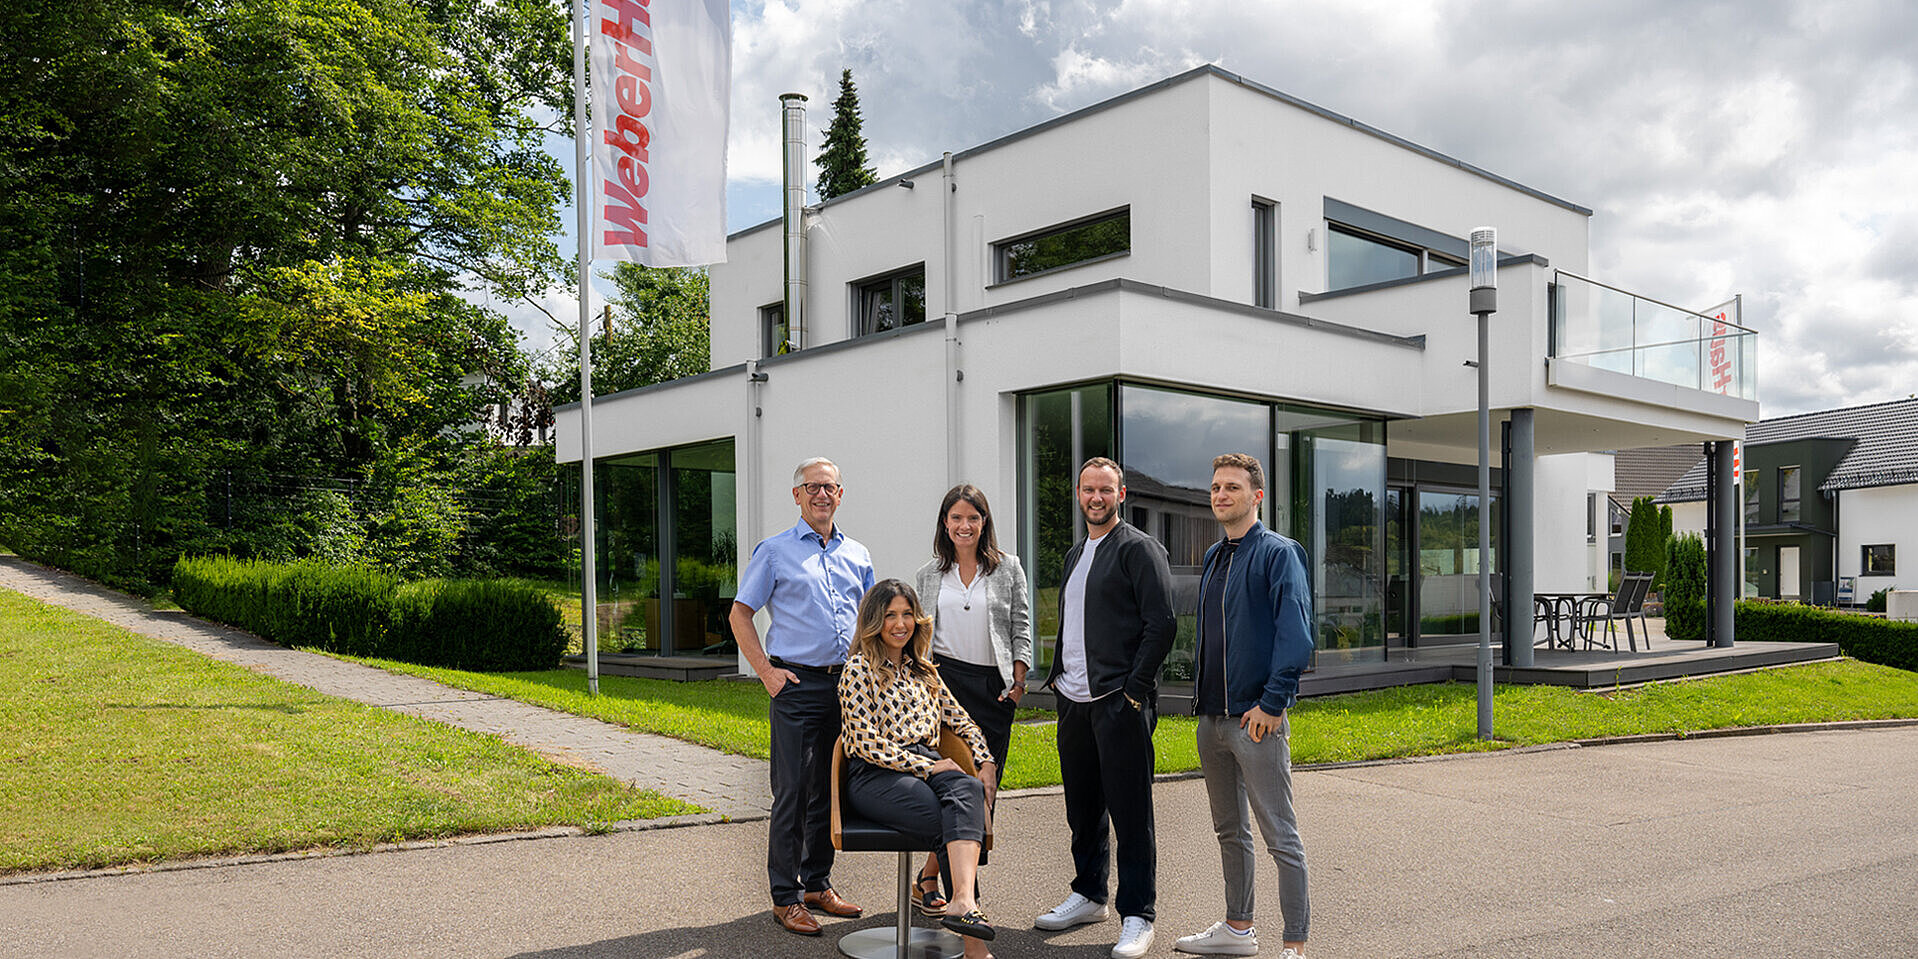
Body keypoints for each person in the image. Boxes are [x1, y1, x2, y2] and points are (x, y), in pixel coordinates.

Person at [1035, 457, 1176, 959]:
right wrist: (1060, 684)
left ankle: (1138, 915)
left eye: (1106, 490)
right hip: (1074, 701)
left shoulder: (1140, 550)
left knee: (1131, 812)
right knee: (1083, 808)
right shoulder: (1076, 553)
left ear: (1121, 495)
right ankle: (1089, 894)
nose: (1096, 498)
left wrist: (1134, 691)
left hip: (1119, 702)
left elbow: (1161, 625)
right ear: (1078, 494)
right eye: (1088, 489)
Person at [1173, 453, 1314, 958]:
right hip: (1211, 719)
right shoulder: (1215, 557)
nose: (1220, 495)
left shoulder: (1279, 553)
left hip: (1256, 720)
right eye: (1214, 487)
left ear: (1256, 496)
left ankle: (1294, 945)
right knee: (1229, 831)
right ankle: (1237, 929)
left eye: (1232, 487)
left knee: (1280, 836)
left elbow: (1296, 638)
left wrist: (1272, 704)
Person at [729, 457, 874, 937]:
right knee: (791, 790)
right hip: (796, 686)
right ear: (796, 495)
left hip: (846, 687)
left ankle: (816, 883)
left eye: (830, 487)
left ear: (840, 494)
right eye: (812, 487)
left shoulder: (858, 554)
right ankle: (785, 897)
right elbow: (740, 614)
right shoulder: (774, 552)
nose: (821, 495)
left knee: (827, 789)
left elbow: (870, 625)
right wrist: (767, 673)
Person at [839, 580, 1000, 959]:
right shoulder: (858, 669)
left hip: (925, 766)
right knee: (951, 819)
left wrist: (984, 759)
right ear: (874, 621)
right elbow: (865, 743)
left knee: (968, 791)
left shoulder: (924, 671)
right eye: (891, 615)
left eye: (907, 614)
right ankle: (976, 948)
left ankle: (961, 901)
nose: (900, 623)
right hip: (876, 773)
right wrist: (924, 765)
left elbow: (963, 722)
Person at [910, 484, 1033, 916]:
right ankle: (968, 899)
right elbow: (916, 635)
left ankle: (929, 877)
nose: (965, 526)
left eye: (973, 518)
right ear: (945, 523)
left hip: (992, 690)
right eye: (956, 518)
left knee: (983, 790)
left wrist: (1020, 676)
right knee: (949, 788)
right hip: (942, 689)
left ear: (984, 523)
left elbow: (1021, 624)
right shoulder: (928, 574)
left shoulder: (1008, 568)